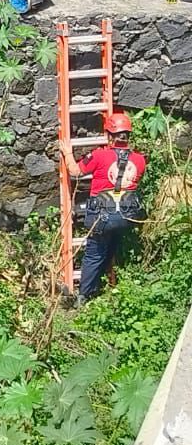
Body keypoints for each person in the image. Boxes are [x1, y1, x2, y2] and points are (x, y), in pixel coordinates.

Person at [59, 111, 147, 302]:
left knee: (93, 254)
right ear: (128, 135)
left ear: (109, 135)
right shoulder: (140, 160)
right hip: (126, 217)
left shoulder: (100, 155)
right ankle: (104, 288)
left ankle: (83, 296)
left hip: (102, 217)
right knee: (111, 248)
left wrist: (67, 152)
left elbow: (74, 171)